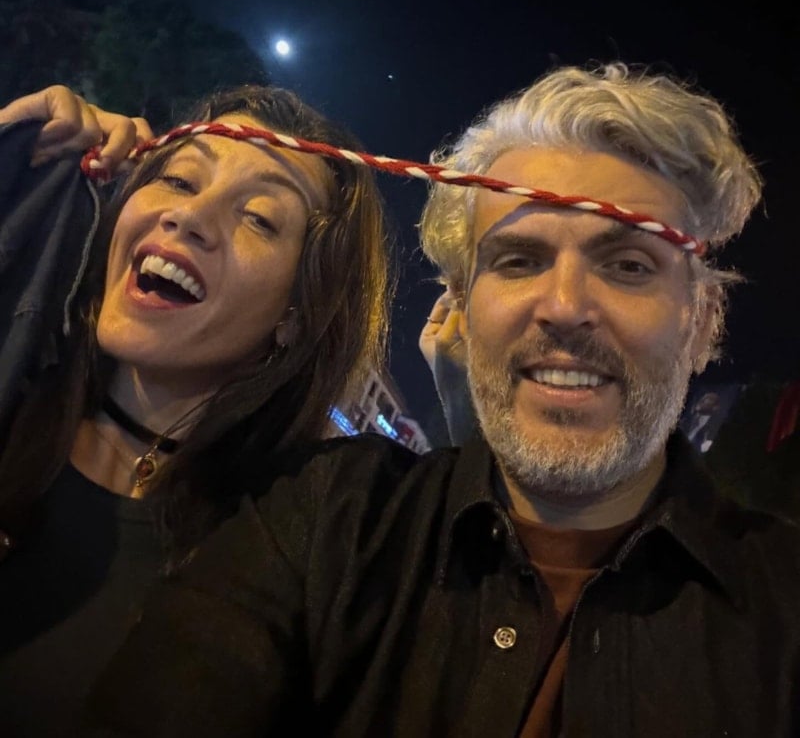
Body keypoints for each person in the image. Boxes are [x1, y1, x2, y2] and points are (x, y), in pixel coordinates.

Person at [86, 63, 800, 737]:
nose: (564, 306)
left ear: (703, 321)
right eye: (519, 260)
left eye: (629, 265)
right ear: (461, 306)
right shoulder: (323, 519)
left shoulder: (784, 603)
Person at [0, 82, 391, 736]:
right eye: (179, 180)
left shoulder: (288, 556)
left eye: (258, 217)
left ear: (297, 313)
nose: (189, 216)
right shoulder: (12, 396)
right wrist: (13, 159)